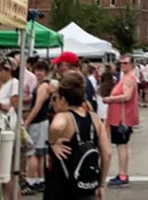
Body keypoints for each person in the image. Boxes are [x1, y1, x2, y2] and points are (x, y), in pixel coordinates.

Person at [46, 71, 110, 199]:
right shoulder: (95, 119)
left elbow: (56, 126)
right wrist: (101, 184)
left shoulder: (63, 116)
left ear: (63, 100)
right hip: (87, 185)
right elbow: (107, 154)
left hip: (61, 186)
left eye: (55, 98)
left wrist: (52, 142)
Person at [102, 54, 139, 188]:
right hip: (119, 117)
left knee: (121, 145)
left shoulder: (129, 78)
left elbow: (127, 96)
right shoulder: (126, 77)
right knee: (121, 145)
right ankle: (122, 173)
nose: (123, 65)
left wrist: (110, 99)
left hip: (122, 118)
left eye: (126, 63)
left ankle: (123, 175)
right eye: (121, 63)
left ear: (132, 64)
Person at [24, 59, 54, 195]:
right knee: (40, 153)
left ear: (46, 72)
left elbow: (38, 105)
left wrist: (27, 121)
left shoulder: (43, 86)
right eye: (37, 70)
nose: (39, 73)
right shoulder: (43, 85)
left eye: (41, 70)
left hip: (38, 122)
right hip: (42, 122)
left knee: (33, 153)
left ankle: (31, 181)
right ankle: (40, 180)